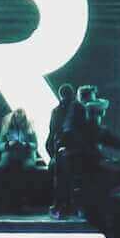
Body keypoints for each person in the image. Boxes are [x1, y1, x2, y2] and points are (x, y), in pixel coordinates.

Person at [46, 83, 80, 213]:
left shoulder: (56, 111)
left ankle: (60, 205)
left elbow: (52, 132)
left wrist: (52, 151)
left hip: (61, 148)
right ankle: (72, 205)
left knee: (60, 178)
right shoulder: (79, 109)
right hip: (74, 148)